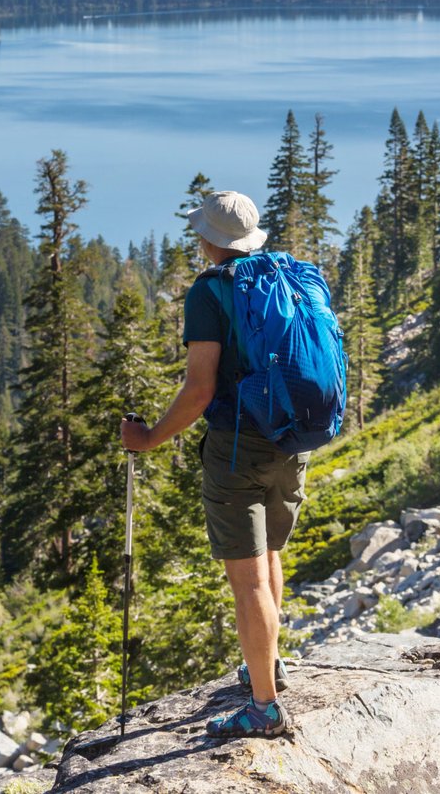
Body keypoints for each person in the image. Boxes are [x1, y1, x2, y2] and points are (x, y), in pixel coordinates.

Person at [119, 190, 306, 739]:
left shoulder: (211, 292)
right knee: (270, 552)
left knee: (245, 576)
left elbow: (200, 390)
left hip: (237, 447)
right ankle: (270, 667)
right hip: (292, 441)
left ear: (211, 240)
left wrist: (149, 437)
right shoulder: (285, 274)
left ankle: (265, 708)